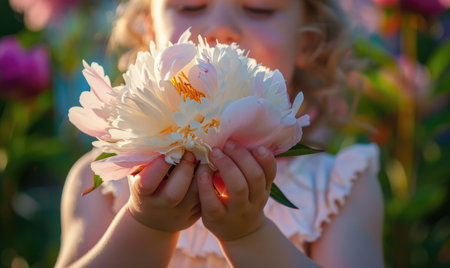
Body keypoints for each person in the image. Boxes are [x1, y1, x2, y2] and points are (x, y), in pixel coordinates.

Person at [55, 0, 384, 267]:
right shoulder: (102, 178)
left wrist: (249, 235)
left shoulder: (340, 189)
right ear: (150, 29)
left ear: (307, 42)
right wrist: (146, 225)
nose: (221, 29)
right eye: (190, 6)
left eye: (260, 9)